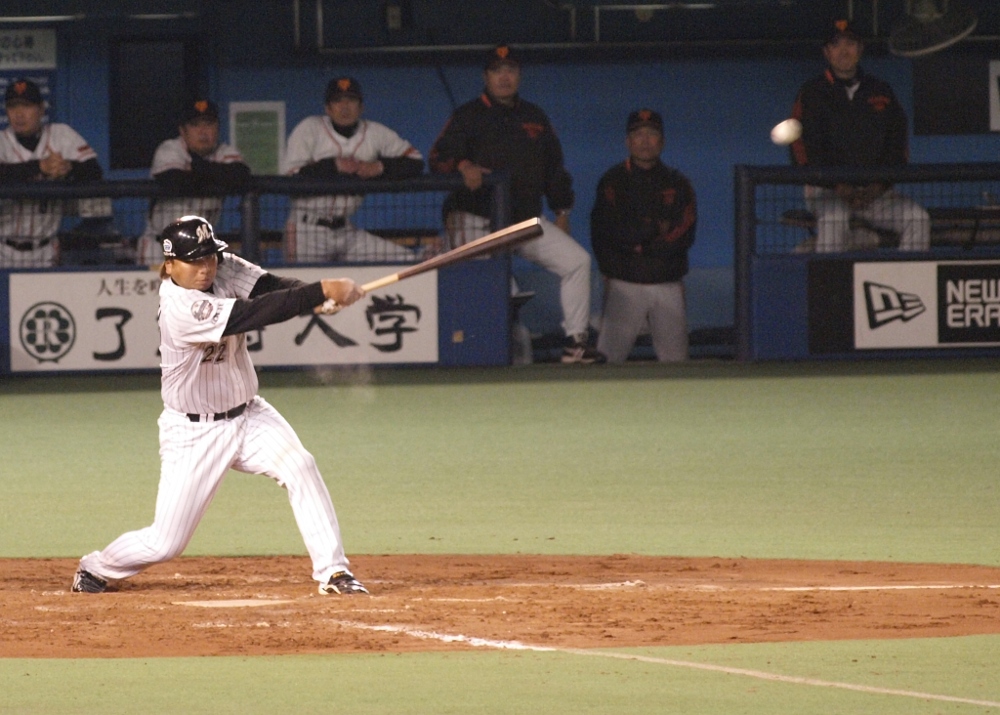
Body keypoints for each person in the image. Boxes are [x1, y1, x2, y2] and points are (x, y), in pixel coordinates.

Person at [73, 215, 369, 597]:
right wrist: (322, 289)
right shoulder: (180, 307)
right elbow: (251, 314)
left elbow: (269, 288)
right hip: (194, 432)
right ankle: (94, 568)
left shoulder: (222, 268)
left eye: (209, 257)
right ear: (169, 265)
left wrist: (321, 299)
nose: (206, 267)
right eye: (195, 261)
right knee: (166, 543)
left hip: (249, 413)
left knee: (301, 465)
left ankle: (334, 573)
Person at [429, 44, 603, 364]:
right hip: (475, 219)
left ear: (519, 75)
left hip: (522, 219)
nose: (504, 77)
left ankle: (576, 342)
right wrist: (462, 167)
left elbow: (554, 168)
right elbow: (437, 158)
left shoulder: (534, 116)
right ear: (486, 77)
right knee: (493, 287)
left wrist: (562, 210)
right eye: (497, 70)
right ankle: (484, 354)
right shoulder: (468, 115)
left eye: (510, 70)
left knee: (576, 261)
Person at [790, 19, 930, 253]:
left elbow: (898, 148)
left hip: (874, 193)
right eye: (836, 45)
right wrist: (837, 185)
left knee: (918, 219)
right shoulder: (812, 92)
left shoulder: (881, 90)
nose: (844, 51)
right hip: (827, 191)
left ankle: (907, 286)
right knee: (834, 220)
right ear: (826, 52)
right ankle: (830, 288)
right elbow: (801, 149)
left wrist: (878, 186)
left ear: (860, 49)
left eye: (850, 44)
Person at [591, 110, 697, 363]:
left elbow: (684, 233)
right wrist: (650, 232)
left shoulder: (678, 182)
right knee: (608, 362)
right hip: (625, 283)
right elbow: (606, 231)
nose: (645, 140)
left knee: (676, 364)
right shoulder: (613, 180)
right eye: (638, 134)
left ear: (662, 141)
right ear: (628, 141)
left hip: (666, 281)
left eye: (652, 134)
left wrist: (639, 244)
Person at [283, 76, 425, 263]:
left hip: (345, 229)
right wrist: (333, 166)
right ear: (327, 108)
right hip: (306, 229)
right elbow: (289, 178)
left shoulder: (375, 133)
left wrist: (380, 167)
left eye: (351, 100)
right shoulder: (309, 128)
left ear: (361, 107)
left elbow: (416, 161)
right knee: (304, 288)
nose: (345, 107)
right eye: (337, 101)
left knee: (405, 259)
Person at [0, 78, 102, 268]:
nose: (19, 114)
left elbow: (94, 171)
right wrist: (40, 167)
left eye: (27, 106)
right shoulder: (2, 141)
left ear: (40, 109)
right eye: (13, 107)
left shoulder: (60, 134)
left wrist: (68, 168)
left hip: (46, 250)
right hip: (3, 249)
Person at [136, 98, 251, 265]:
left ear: (218, 128)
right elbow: (175, 181)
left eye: (209, 124)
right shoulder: (170, 149)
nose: (203, 132)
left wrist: (198, 169)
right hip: (161, 249)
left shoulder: (224, 151)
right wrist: (215, 176)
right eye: (195, 125)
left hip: (203, 250)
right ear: (182, 131)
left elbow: (240, 176)